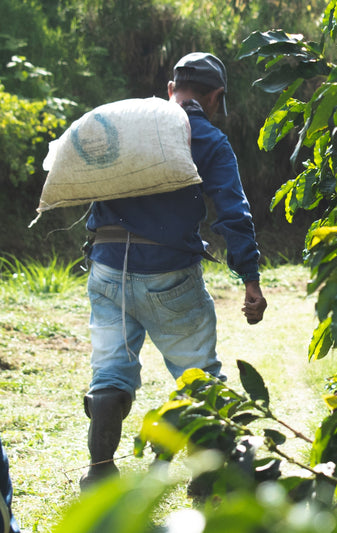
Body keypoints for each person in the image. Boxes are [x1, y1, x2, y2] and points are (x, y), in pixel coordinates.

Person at [80, 52, 267, 490]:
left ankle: (100, 473)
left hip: (106, 270)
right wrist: (250, 279)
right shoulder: (207, 139)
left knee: (109, 374)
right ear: (216, 97)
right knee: (199, 375)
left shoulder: (125, 126)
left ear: (171, 90)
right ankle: (210, 481)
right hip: (169, 276)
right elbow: (232, 213)